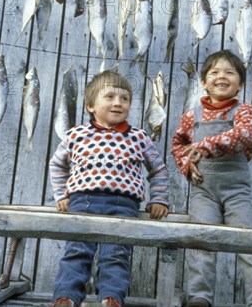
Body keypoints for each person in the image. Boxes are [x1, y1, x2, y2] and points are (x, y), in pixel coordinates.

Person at [50, 70, 170, 307]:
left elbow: (158, 170)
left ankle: (111, 298)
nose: (118, 102)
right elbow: (57, 165)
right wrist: (61, 194)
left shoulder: (139, 137)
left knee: (115, 254)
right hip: (81, 203)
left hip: (123, 206)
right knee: (77, 251)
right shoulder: (76, 135)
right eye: (110, 97)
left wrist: (159, 199)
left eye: (124, 98)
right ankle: (66, 298)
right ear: (90, 106)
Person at [172, 50, 252, 307]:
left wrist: (204, 146)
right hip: (202, 190)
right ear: (203, 82)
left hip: (236, 189)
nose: (221, 76)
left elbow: (245, 136)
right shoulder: (191, 115)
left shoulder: (245, 111)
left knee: (249, 244)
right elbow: (178, 144)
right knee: (202, 242)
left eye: (230, 72)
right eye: (214, 72)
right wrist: (187, 165)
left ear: (240, 84)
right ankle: (199, 297)